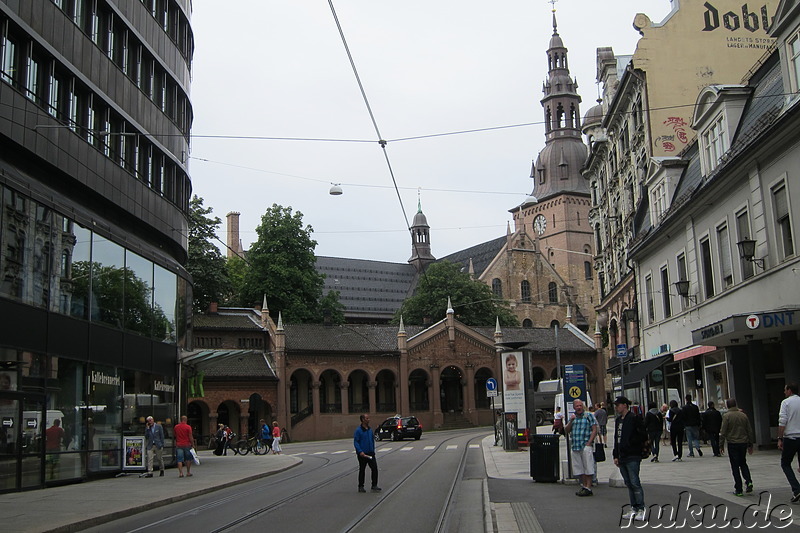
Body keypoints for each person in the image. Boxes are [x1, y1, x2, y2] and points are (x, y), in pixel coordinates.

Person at [613, 396, 648, 522]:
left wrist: (632, 444)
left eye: (618, 405)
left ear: (624, 405)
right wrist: (615, 455)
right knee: (628, 482)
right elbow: (616, 438)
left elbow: (642, 434)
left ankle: (641, 508)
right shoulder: (618, 420)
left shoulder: (634, 418)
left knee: (634, 482)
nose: (616, 407)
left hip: (632, 455)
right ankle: (634, 507)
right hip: (622, 456)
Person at [719, 398, 755, 497]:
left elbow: (723, 432)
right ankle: (748, 481)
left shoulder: (727, 416)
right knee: (743, 462)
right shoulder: (743, 415)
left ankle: (738, 489)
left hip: (733, 443)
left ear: (727, 405)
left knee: (735, 466)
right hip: (743, 442)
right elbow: (749, 430)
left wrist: (721, 445)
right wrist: (750, 444)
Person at [564, 399, 597, 497]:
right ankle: (584, 485)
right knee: (579, 468)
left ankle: (588, 487)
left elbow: (594, 429)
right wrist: (571, 420)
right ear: (574, 407)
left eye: (580, 405)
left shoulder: (589, 416)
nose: (579, 407)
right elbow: (566, 430)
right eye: (577, 406)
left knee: (588, 466)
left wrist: (589, 442)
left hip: (585, 445)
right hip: (575, 446)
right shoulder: (573, 418)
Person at [778, 383, 800, 502]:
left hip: (791, 437)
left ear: (790, 390)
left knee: (785, 463)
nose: (784, 392)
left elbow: (782, 421)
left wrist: (780, 438)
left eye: (785, 390)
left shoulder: (785, 403)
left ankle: (796, 489)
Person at [353, 414, 380, 493]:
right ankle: (361, 486)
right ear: (363, 420)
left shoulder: (369, 430)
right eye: (367, 418)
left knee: (374, 468)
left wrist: (372, 449)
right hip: (362, 454)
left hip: (371, 453)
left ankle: (374, 485)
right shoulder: (358, 430)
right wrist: (360, 451)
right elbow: (356, 442)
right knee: (362, 469)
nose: (369, 420)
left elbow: (372, 440)